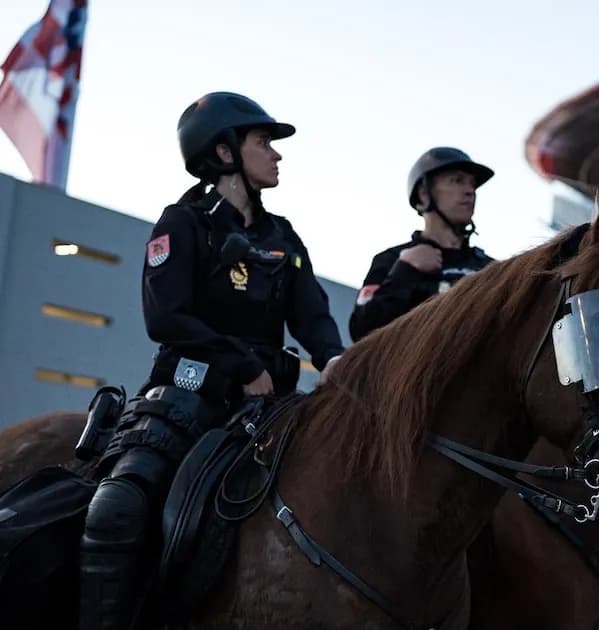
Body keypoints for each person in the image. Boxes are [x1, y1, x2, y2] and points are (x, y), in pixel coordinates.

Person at [77, 92, 345, 629]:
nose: (276, 155)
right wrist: (243, 366)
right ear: (223, 153)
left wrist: (336, 358)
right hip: (185, 399)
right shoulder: (183, 223)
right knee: (118, 509)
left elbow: (311, 314)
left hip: (272, 409)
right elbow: (166, 317)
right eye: (263, 142)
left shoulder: (283, 236)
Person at [348, 147, 494, 341]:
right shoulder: (391, 260)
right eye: (457, 180)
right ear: (424, 193)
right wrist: (404, 270)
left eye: (472, 185)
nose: (469, 191)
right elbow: (362, 331)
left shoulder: (490, 269)